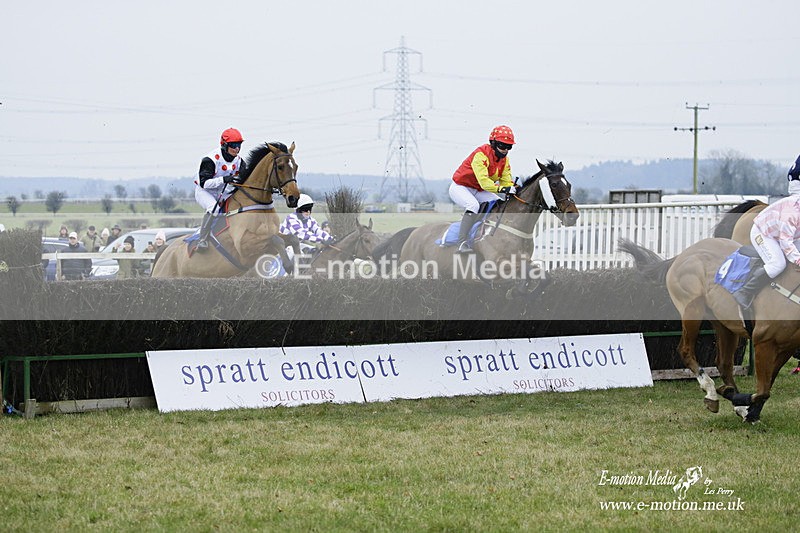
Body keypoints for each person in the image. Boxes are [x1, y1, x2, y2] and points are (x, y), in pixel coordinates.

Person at [733, 154, 800, 309]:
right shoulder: (793, 212)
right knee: (778, 264)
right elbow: (785, 241)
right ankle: (744, 292)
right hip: (763, 233)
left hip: (784, 231)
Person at [449, 125, 517, 252]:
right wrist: (503, 190)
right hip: (461, 187)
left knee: (499, 204)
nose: (505, 150)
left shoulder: (505, 161)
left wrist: (512, 188)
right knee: (473, 205)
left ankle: (484, 235)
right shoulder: (481, 155)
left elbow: (506, 181)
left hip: (478, 190)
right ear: (493, 143)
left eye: (509, 147)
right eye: (502, 145)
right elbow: (485, 182)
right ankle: (461, 242)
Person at [194, 127, 248, 250]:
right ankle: (202, 239)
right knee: (214, 209)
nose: (237, 149)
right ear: (224, 145)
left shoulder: (240, 162)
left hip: (223, 191)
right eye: (233, 145)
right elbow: (204, 184)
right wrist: (224, 179)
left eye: (239, 145)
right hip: (205, 191)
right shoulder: (210, 160)